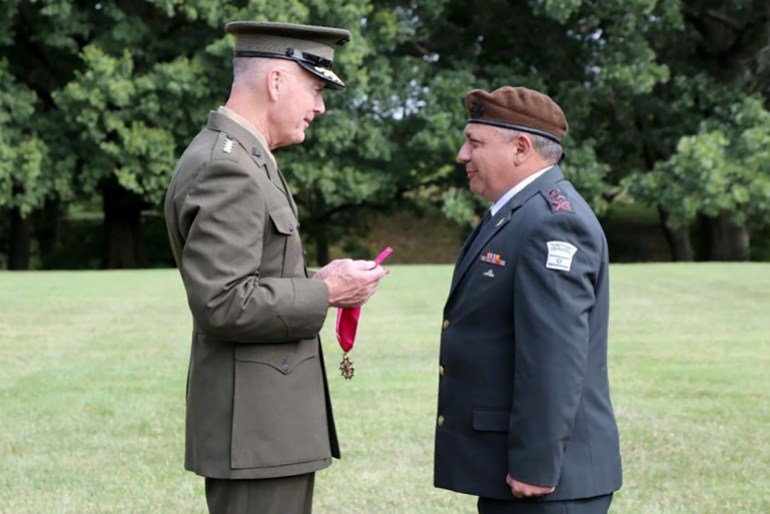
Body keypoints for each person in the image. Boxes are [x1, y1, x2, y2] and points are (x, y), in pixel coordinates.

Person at [163, 21, 388, 514]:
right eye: (315, 89)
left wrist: (320, 281)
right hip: (255, 431)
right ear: (276, 82)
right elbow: (223, 303)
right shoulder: (226, 166)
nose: (320, 106)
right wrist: (326, 293)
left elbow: (253, 279)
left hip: (264, 428)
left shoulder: (246, 157)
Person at [433, 86, 622, 514]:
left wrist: (536, 464)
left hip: (548, 484)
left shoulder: (552, 223)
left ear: (520, 148)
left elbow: (553, 355)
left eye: (475, 142)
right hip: (519, 474)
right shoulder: (518, 211)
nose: (463, 154)